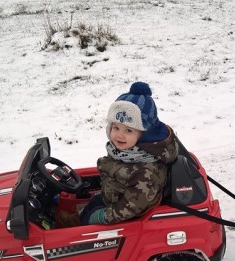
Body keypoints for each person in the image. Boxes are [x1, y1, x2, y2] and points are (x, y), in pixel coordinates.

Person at [60, 81, 179, 226]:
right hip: (113, 196)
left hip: (127, 214)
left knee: (91, 217)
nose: (119, 135)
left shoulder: (146, 172)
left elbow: (134, 205)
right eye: (116, 127)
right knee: (92, 204)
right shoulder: (129, 151)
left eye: (128, 130)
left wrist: (103, 217)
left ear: (144, 134)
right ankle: (76, 219)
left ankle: (78, 230)